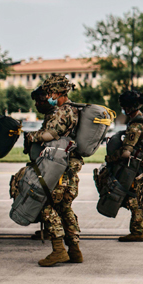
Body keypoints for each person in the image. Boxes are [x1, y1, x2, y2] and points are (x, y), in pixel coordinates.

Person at [23, 75, 82, 267]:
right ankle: (75, 250)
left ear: (57, 92)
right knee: (64, 207)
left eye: (49, 92)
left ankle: (58, 250)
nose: (48, 96)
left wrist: (32, 136)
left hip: (58, 167)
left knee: (45, 203)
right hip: (70, 165)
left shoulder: (61, 112)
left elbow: (50, 135)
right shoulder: (75, 110)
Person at [111, 90, 143, 242]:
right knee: (141, 198)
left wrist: (111, 157)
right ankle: (142, 228)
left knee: (134, 199)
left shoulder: (136, 125)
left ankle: (137, 231)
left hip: (137, 167)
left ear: (127, 108)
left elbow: (126, 152)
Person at [28, 85, 56, 241]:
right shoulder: (50, 115)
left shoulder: (55, 116)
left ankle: (53, 232)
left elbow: (50, 136)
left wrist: (31, 137)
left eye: (39, 101)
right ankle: (49, 229)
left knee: (51, 198)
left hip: (55, 163)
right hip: (50, 161)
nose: (37, 105)